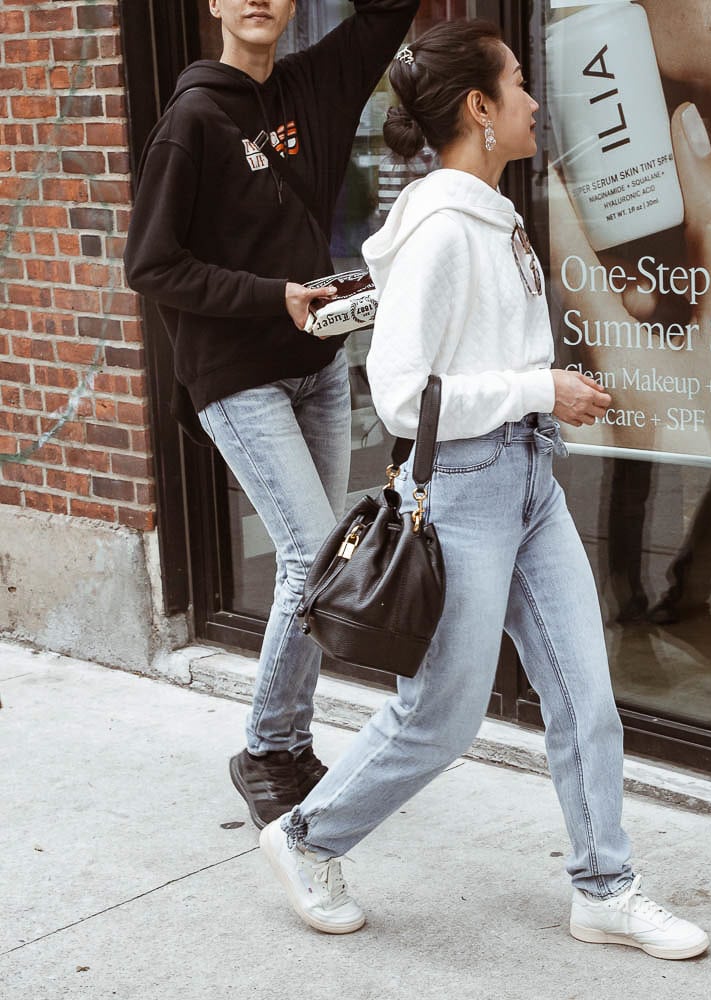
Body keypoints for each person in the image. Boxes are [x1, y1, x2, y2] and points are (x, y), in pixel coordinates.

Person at [257, 19, 710, 961]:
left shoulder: (490, 214)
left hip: (528, 478)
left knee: (586, 697)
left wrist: (545, 402)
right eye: (518, 84)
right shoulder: (442, 231)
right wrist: (538, 388)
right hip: (462, 489)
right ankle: (306, 837)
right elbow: (399, 394)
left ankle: (605, 887)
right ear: (479, 108)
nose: (537, 101)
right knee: (442, 714)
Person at [124, 0, 419, 829]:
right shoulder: (192, 119)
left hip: (316, 367)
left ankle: (285, 745)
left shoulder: (313, 86)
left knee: (321, 566)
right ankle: (265, 745)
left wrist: (299, 312)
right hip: (235, 373)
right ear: (213, 4)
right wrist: (269, 298)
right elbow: (150, 264)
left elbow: (388, 15)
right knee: (310, 558)